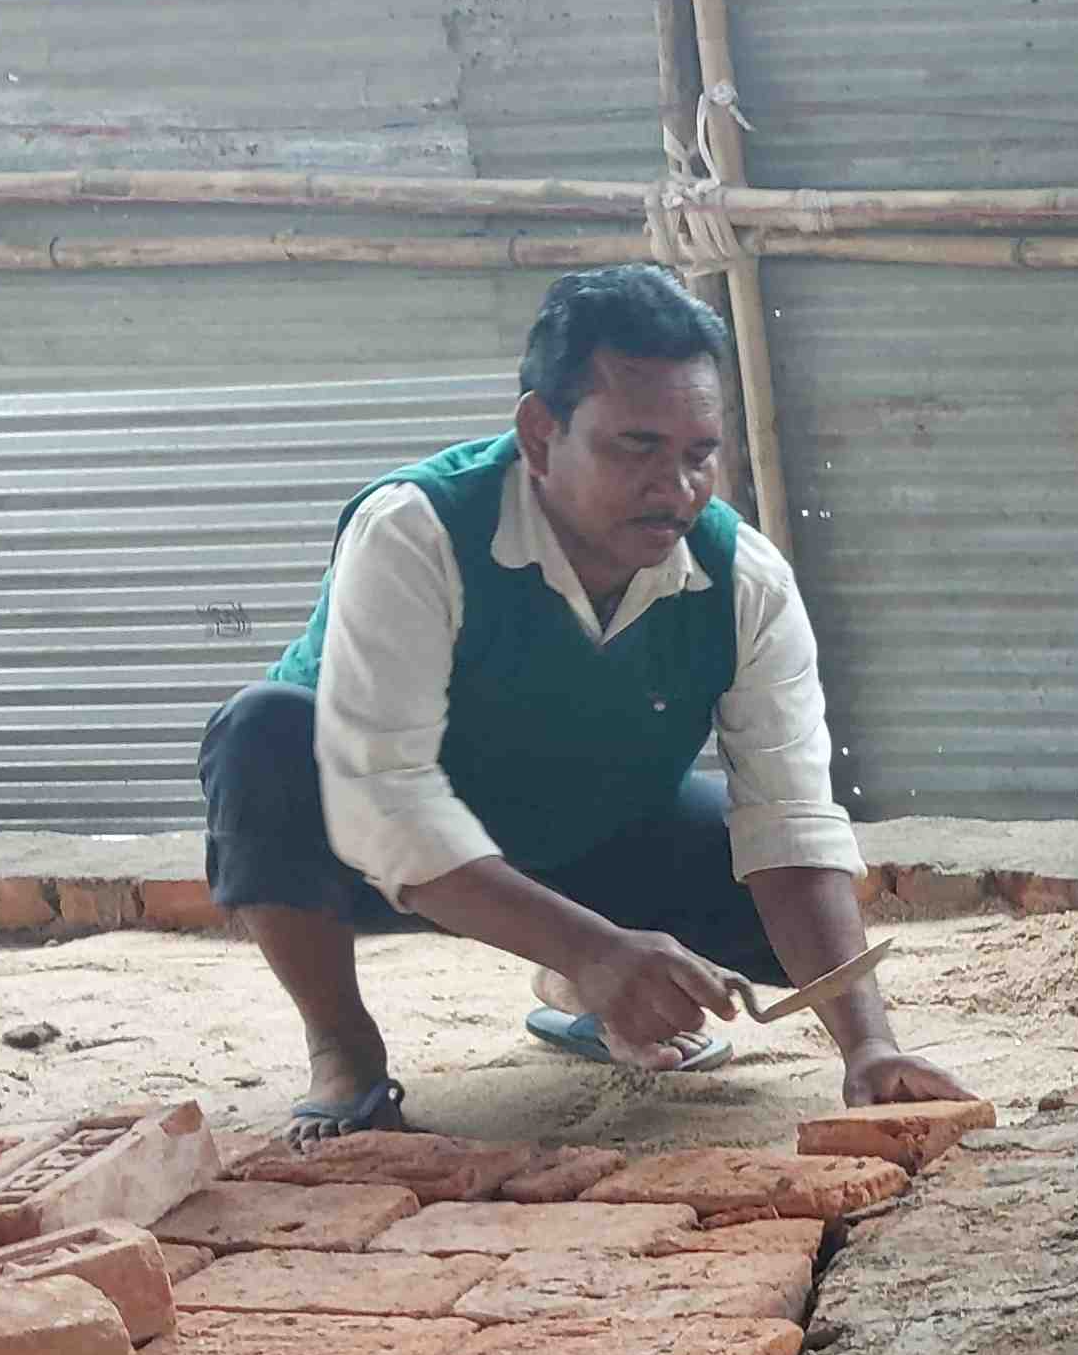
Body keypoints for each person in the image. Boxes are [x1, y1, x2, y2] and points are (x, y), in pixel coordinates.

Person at [196, 264, 969, 1138]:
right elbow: (387, 800)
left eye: (698, 455)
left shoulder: (744, 576)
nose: (675, 488)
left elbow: (791, 820)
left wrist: (867, 1044)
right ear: (538, 434)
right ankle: (345, 1049)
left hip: (590, 839)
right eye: (636, 448)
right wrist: (595, 950)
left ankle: (575, 989)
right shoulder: (415, 531)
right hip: (373, 852)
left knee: (770, 895)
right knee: (258, 736)